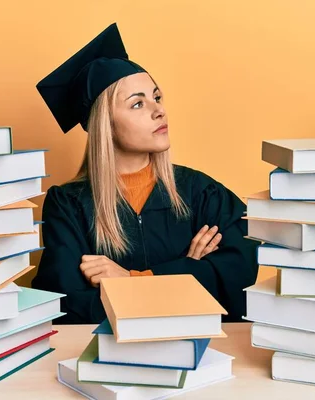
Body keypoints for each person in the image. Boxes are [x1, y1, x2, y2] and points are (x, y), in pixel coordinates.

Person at [31, 23, 259, 324]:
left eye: (157, 98)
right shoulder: (69, 205)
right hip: (112, 361)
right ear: (105, 124)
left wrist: (132, 280)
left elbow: (239, 273)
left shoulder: (200, 191)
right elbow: (67, 307)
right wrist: (189, 271)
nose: (158, 111)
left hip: (204, 356)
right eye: (137, 103)